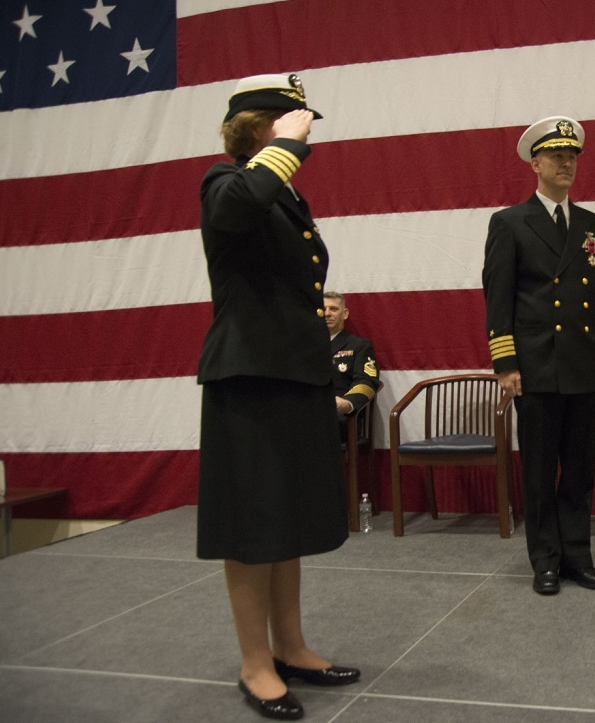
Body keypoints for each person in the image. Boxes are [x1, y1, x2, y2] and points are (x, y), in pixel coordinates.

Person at [197, 74, 360, 721]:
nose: (309, 132)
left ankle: (291, 646)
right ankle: (254, 662)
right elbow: (239, 204)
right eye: (296, 120)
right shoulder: (225, 182)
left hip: (295, 373)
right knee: (252, 525)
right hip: (250, 375)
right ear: (265, 124)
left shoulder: (283, 196)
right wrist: (284, 145)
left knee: (286, 520)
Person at [482, 116, 595, 596]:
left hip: (582, 364)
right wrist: (505, 362)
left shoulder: (592, 225)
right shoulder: (509, 223)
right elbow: (498, 298)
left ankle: (578, 557)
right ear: (535, 163)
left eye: (573, 156)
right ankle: (544, 559)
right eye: (557, 156)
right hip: (536, 367)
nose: (567, 163)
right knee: (540, 471)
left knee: (580, 471)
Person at [324, 291, 380, 419]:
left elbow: (367, 382)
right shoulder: (306, 347)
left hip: (340, 417)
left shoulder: (358, 346)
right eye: (323, 310)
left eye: (333, 309)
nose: (327, 313)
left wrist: (347, 403)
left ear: (345, 314)